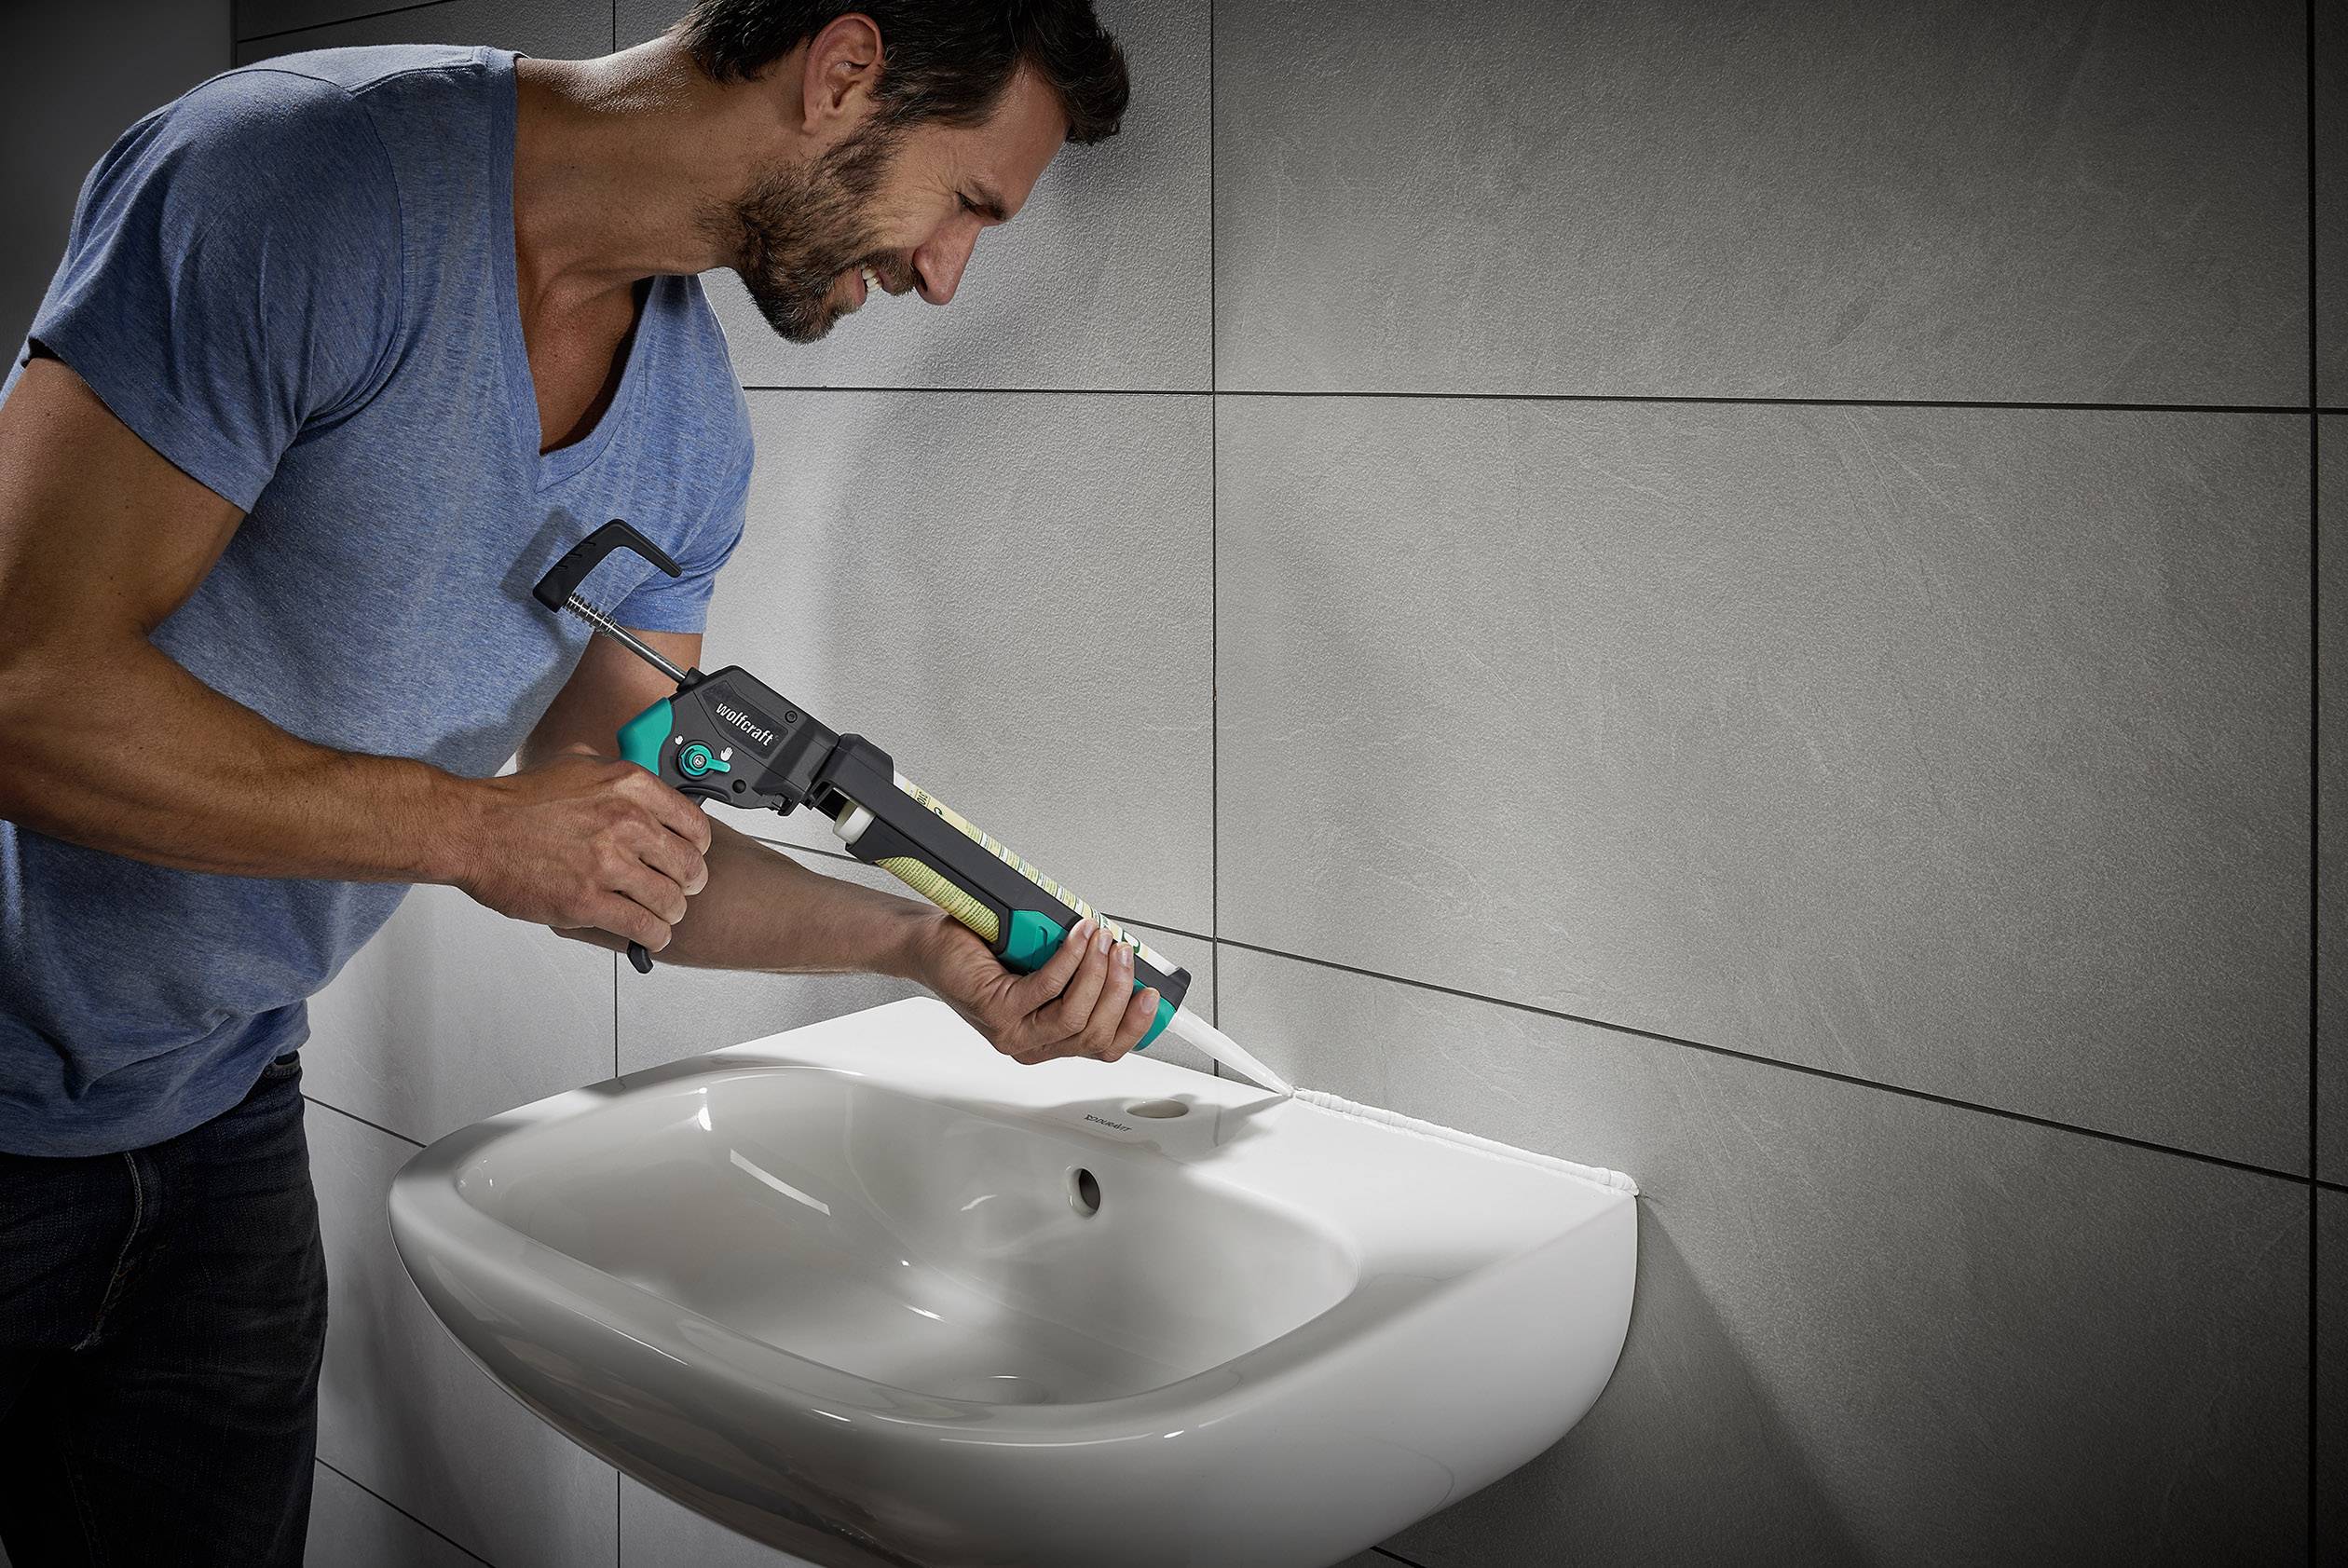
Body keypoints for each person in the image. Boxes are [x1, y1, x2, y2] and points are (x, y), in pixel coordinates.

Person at [0, 4, 1139, 1561]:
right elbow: (23, 693)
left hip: (215, 1115)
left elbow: (608, 837)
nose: (945, 274)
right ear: (845, 71)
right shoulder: (298, 182)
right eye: (968, 206)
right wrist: (471, 830)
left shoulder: (687, 441)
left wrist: (924, 950)